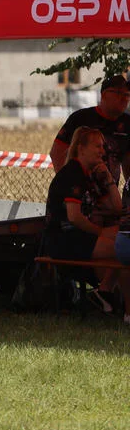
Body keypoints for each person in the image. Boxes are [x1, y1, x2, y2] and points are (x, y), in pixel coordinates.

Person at [44, 126, 130, 320]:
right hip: (64, 239)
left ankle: (105, 293)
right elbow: (74, 217)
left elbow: (117, 208)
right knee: (123, 249)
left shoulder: (89, 175)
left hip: (80, 236)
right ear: (81, 149)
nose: (103, 151)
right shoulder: (72, 174)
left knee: (124, 236)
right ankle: (115, 301)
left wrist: (107, 177)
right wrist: (101, 232)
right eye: (98, 146)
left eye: (103, 147)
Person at [50, 74, 130, 185]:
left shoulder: (127, 123)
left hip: (109, 195)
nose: (124, 98)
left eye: (127, 94)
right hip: (80, 195)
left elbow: (127, 161)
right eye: (119, 93)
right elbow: (57, 152)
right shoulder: (81, 118)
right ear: (104, 95)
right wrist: (66, 185)